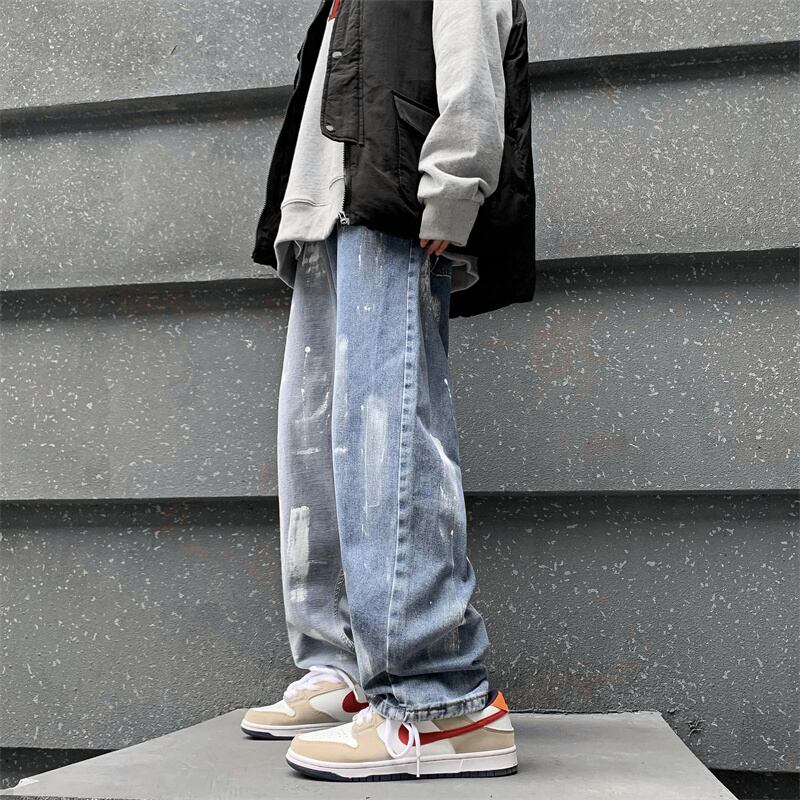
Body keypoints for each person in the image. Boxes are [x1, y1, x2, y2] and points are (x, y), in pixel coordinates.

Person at [243, 0, 535, 782]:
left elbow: (472, 50)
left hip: (394, 204)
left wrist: (454, 185)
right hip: (324, 215)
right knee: (315, 452)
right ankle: (342, 666)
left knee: (388, 439)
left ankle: (440, 702)